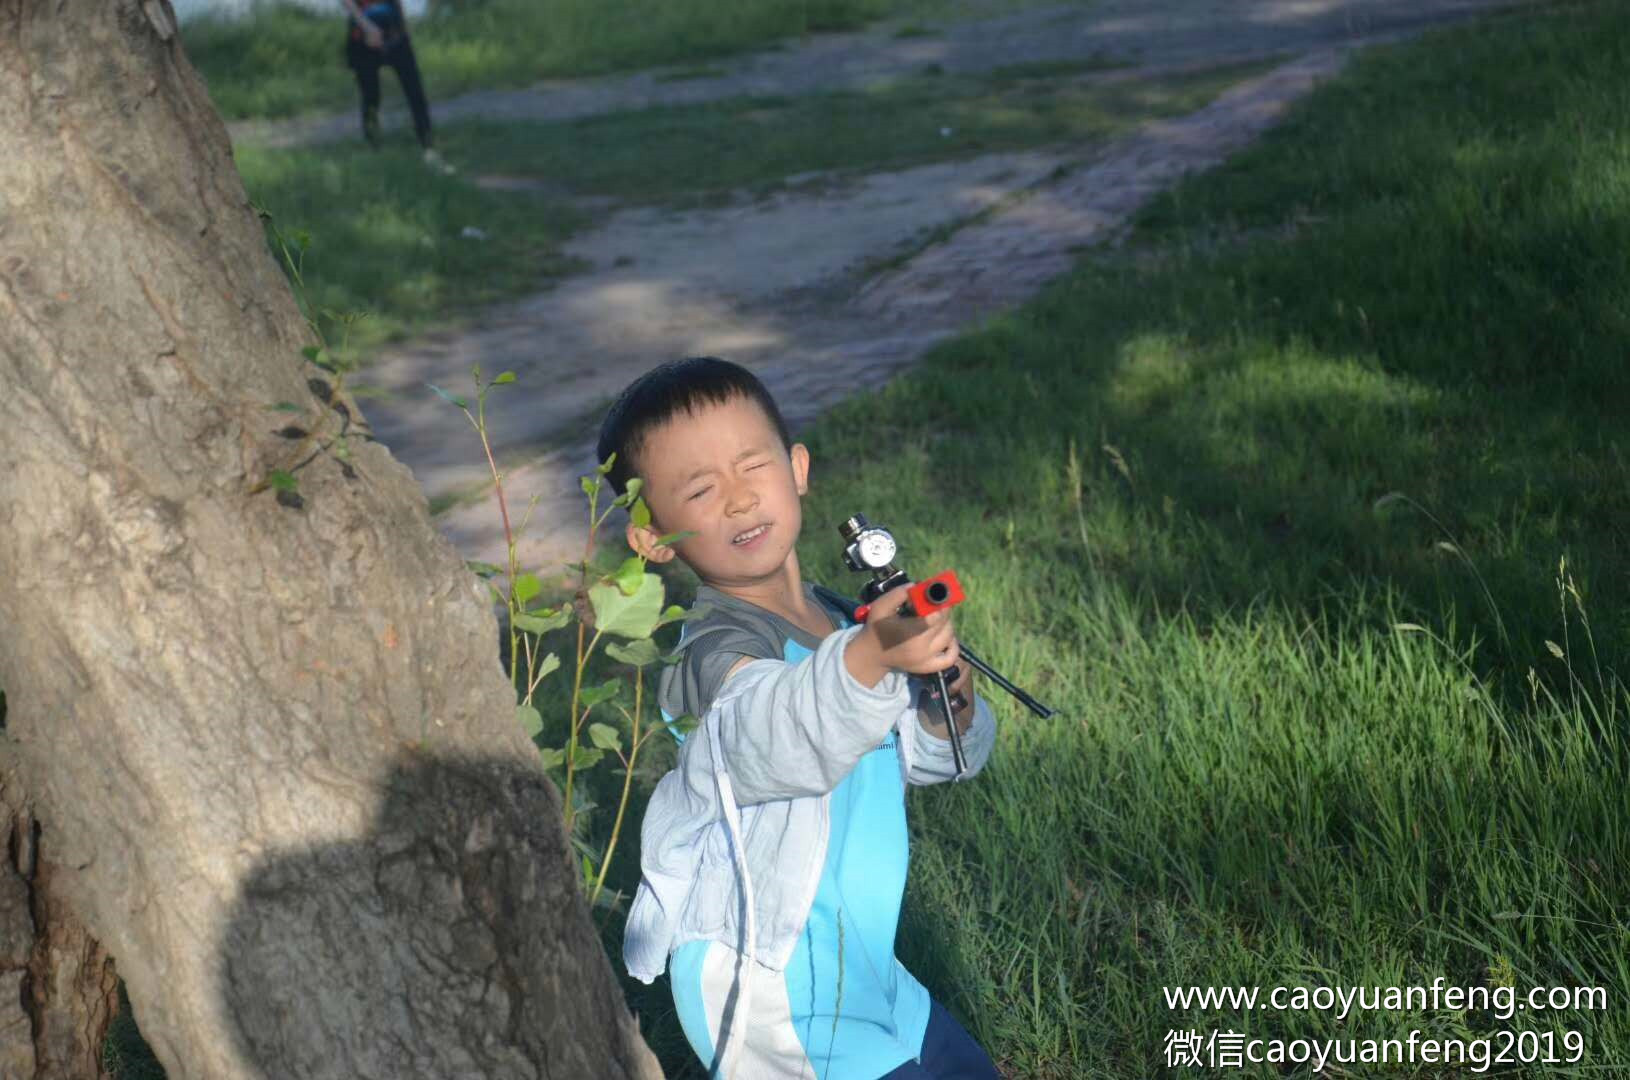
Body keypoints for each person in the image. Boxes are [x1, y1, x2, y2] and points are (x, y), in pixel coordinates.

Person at [600, 357, 1002, 1079]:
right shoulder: (710, 653)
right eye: (698, 489)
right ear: (653, 539)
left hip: (869, 965)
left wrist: (951, 696)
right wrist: (874, 653)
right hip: (775, 988)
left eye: (752, 465)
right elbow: (774, 737)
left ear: (797, 468)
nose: (737, 499)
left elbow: (937, 757)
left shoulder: (839, 620)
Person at [339, 0, 454, 174]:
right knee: (371, 97)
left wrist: (404, 26)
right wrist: (367, 27)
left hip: (395, 32)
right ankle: (374, 151)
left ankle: (429, 149)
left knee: (415, 93)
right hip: (363, 36)